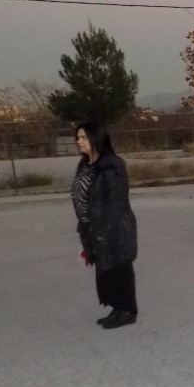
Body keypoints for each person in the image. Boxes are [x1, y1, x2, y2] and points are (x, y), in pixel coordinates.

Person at [71, 121, 138, 329]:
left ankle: (128, 311)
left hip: (114, 229)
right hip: (94, 228)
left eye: (83, 137)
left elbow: (115, 203)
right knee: (106, 271)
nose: (79, 141)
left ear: (96, 138)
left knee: (119, 270)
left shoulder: (112, 166)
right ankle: (117, 308)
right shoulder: (86, 164)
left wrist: (103, 233)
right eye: (78, 137)